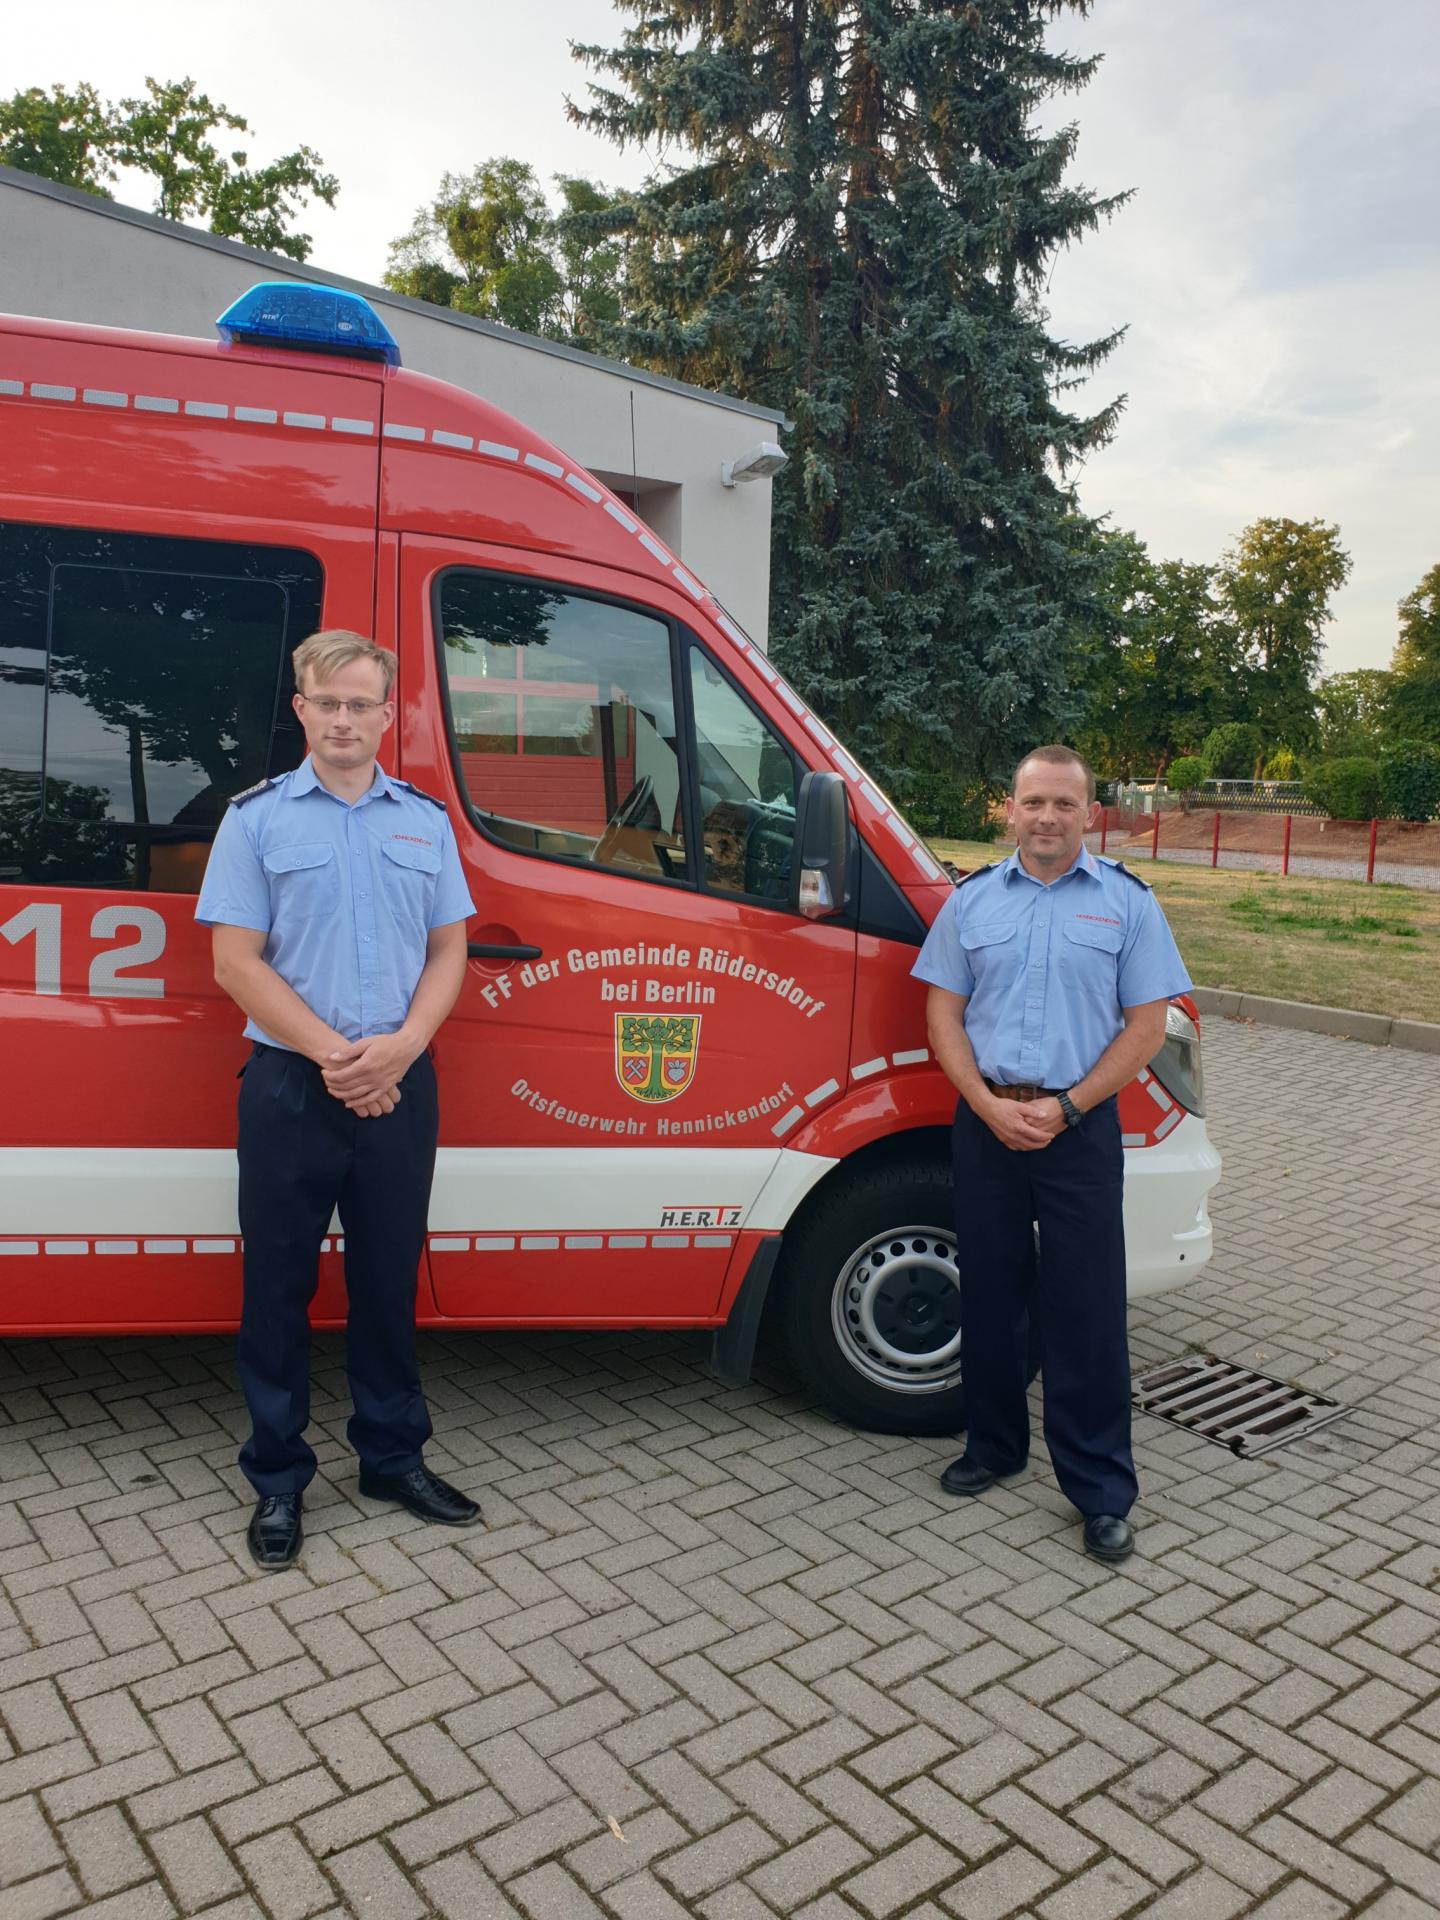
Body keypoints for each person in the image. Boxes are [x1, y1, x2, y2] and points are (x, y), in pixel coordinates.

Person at [196, 630, 478, 1570]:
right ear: (302, 709)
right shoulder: (258, 820)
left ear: (388, 714)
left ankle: (392, 1459)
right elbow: (234, 960)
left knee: (387, 1284)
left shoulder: (424, 821)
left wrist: (399, 1050)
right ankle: (278, 1480)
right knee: (276, 1290)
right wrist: (335, 1058)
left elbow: (449, 951)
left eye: (363, 703)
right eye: (329, 703)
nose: (346, 718)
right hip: (290, 1086)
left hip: (401, 1079)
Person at [913, 746, 1192, 1563]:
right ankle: (994, 1447)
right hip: (988, 1117)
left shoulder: (1128, 904)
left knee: (1087, 1308)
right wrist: (988, 1106)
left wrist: (1066, 1107)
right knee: (992, 1292)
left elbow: (1146, 1029)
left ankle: (1101, 1490)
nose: (1046, 818)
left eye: (1063, 805)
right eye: (1033, 802)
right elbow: (943, 1016)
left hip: (1081, 1128)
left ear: (1089, 814)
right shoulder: (969, 904)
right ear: (1009, 809)